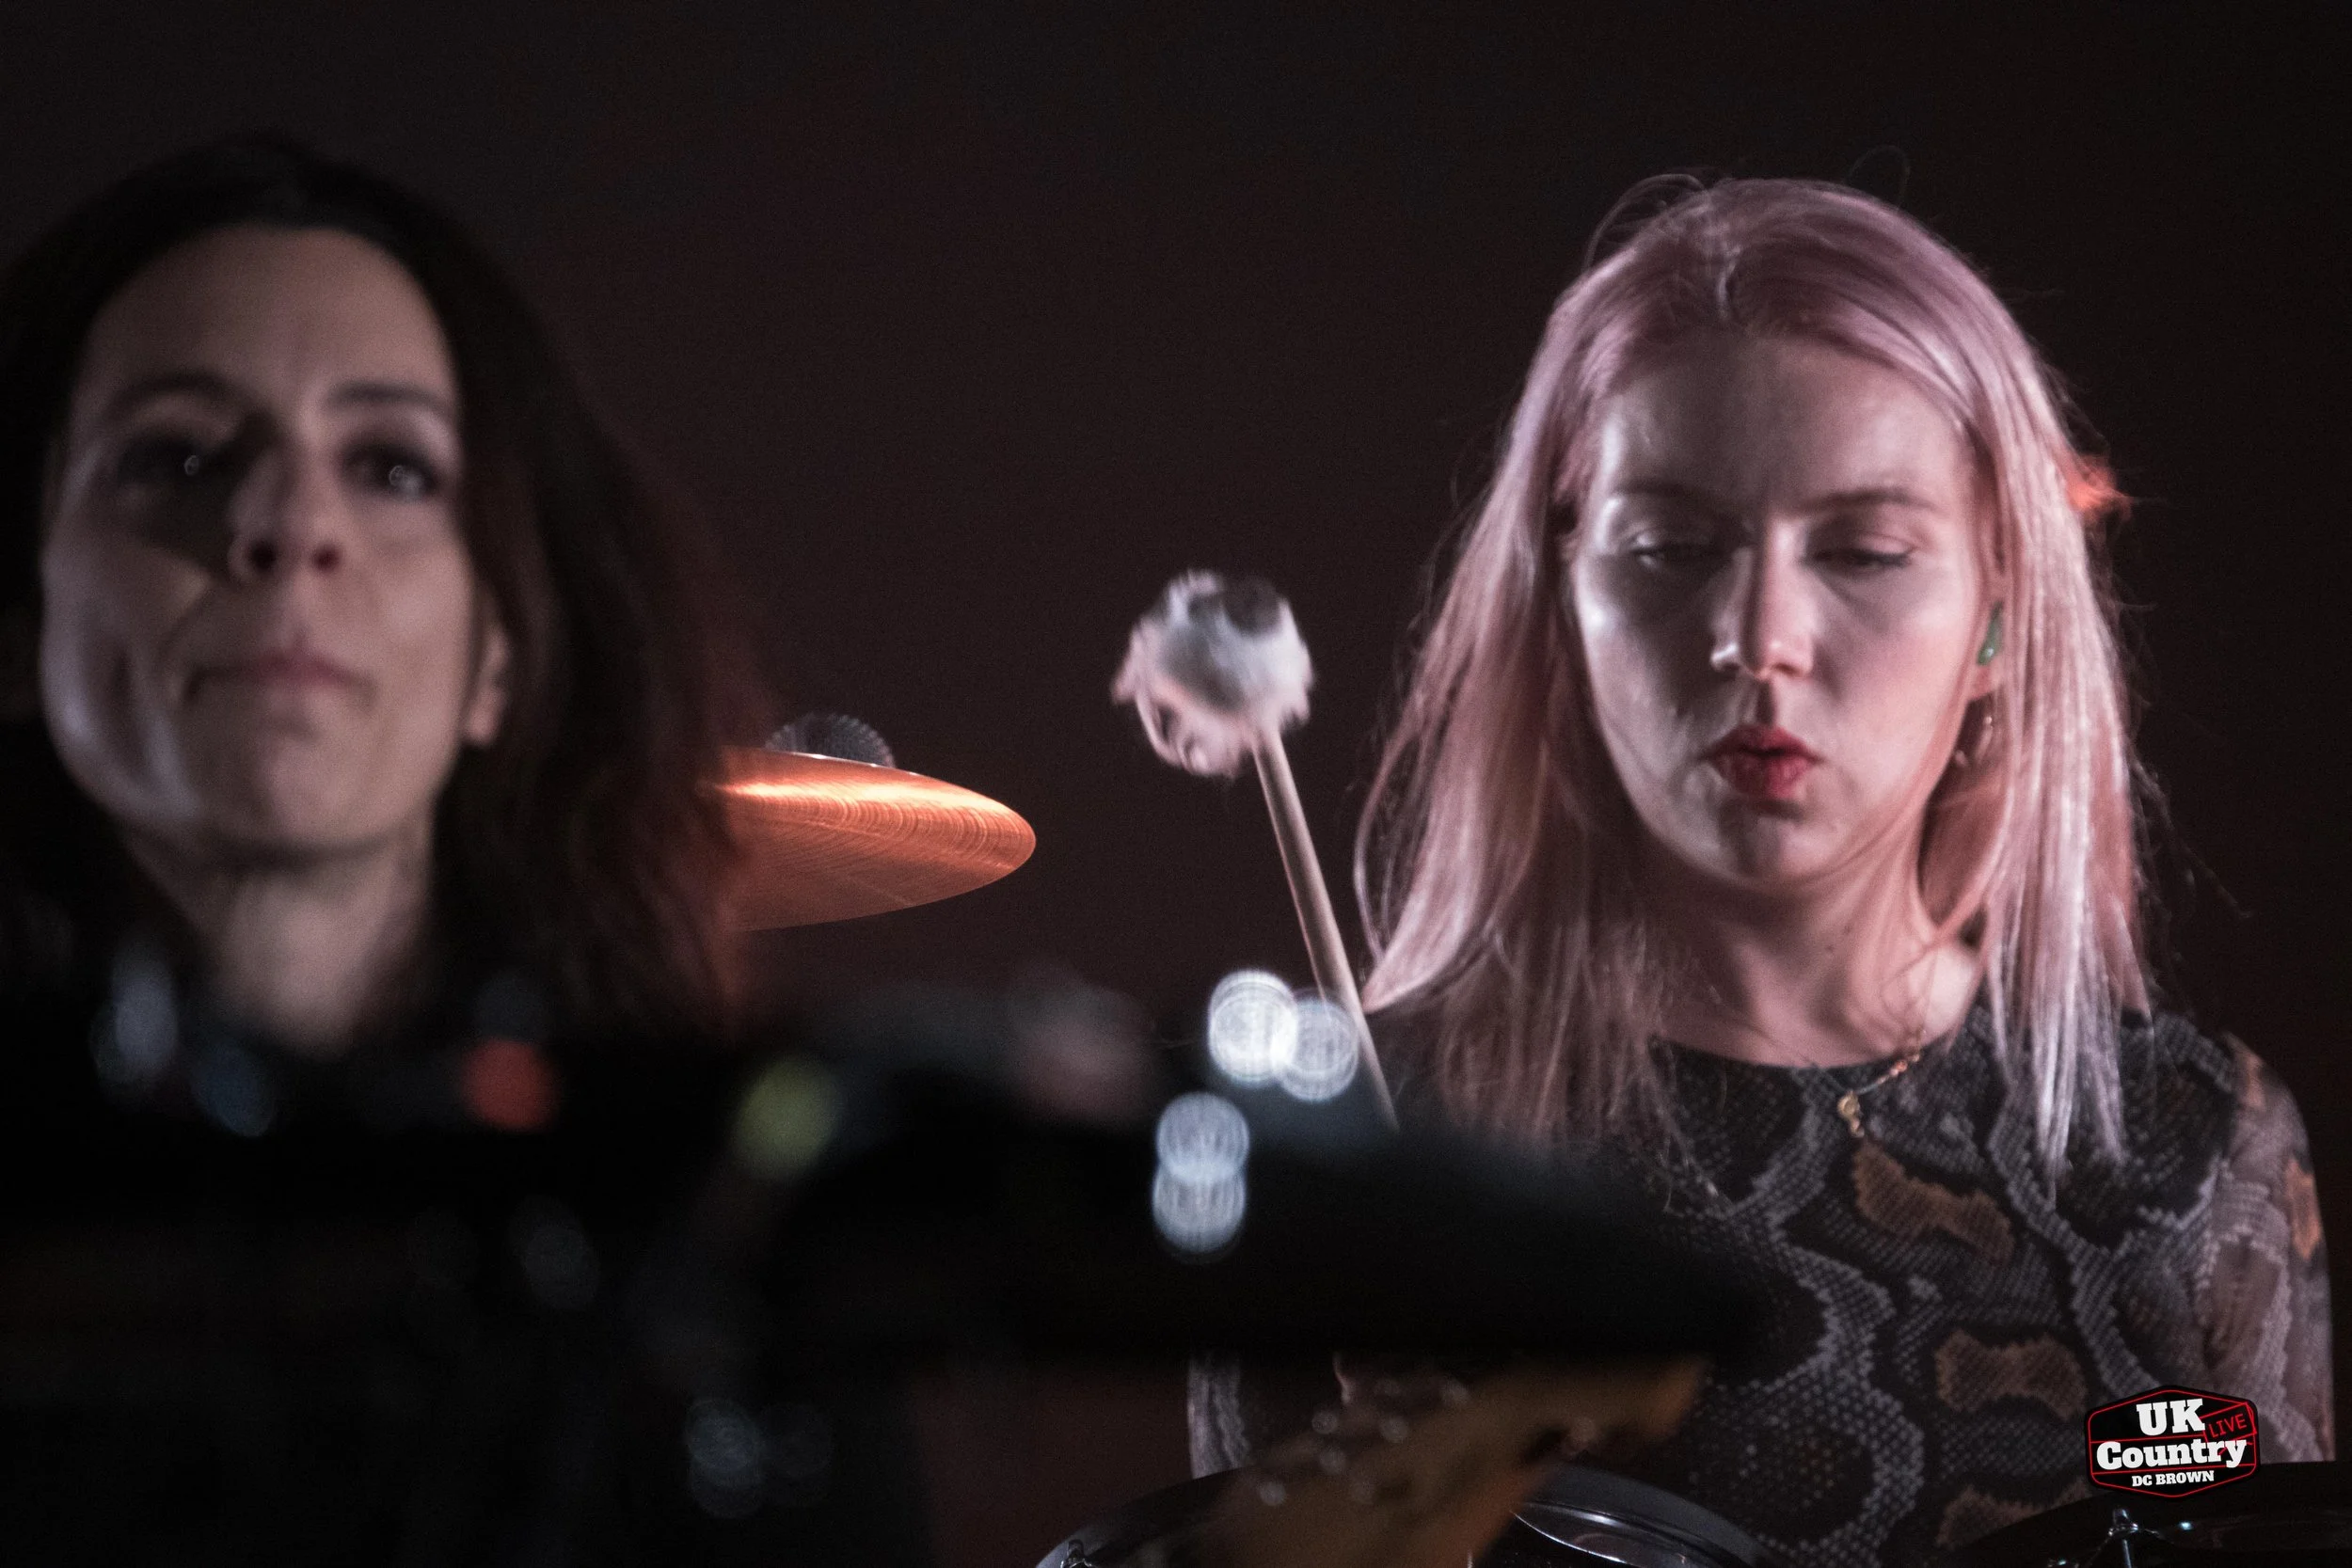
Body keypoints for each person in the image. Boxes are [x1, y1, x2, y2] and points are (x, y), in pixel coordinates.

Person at [1200, 179, 2333, 1566]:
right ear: (1563, 594)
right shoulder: (1354, 1160)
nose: (1758, 635)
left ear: (1998, 616)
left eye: (1864, 550)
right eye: (1670, 548)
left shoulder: (2195, 1140)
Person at [0, 138, 928, 1563]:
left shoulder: (707, 1239)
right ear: (19, 621)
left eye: (391, 466)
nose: (287, 524)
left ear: (500, 653)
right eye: (176, 455)